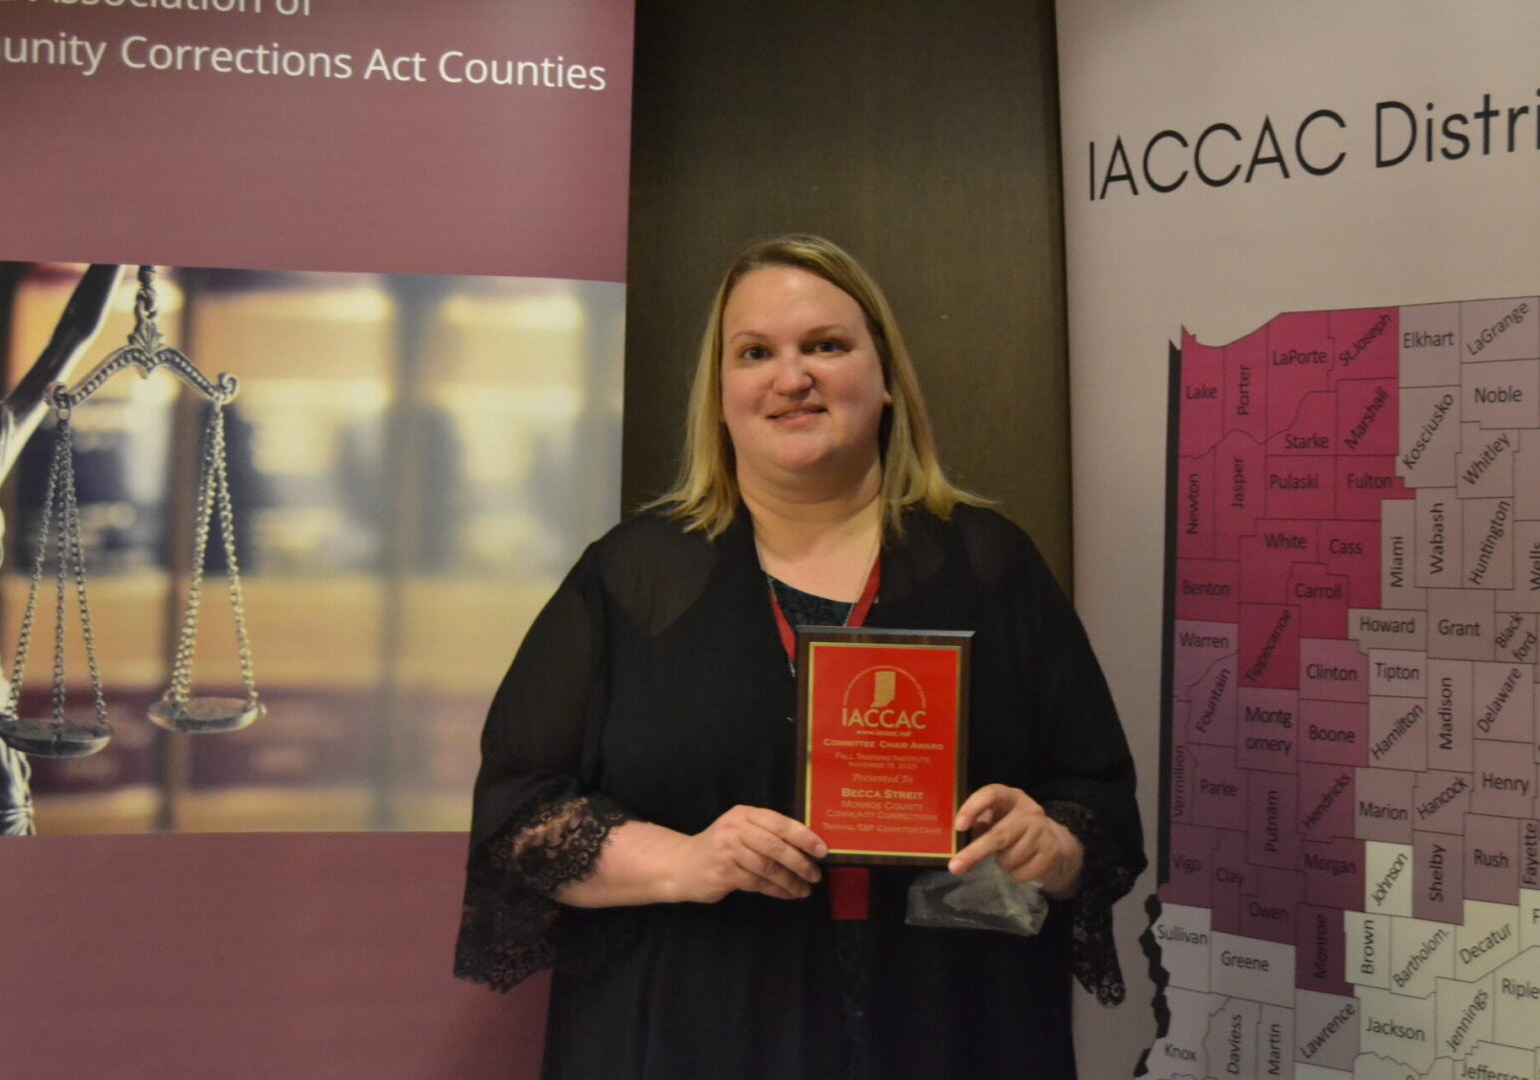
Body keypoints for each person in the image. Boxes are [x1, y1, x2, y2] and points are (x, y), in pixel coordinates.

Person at [455, 235, 1144, 1079]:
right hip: (688, 1032)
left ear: (885, 379)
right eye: (755, 353)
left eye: (826, 345)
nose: (792, 378)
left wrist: (1052, 848)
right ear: (720, 395)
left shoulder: (989, 566)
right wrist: (681, 860)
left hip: (954, 1027)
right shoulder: (634, 578)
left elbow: (1097, 800)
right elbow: (519, 818)